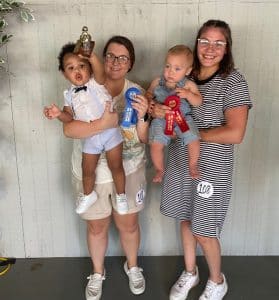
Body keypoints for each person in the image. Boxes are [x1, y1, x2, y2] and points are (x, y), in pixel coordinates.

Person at [153, 20, 252, 300]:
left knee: (204, 230)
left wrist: (192, 134)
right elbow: (161, 98)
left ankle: (217, 281)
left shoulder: (233, 81)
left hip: (212, 167)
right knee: (185, 220)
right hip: (180, 162)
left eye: (218, 43)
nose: (210, 49)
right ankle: (190, 272)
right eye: (205, 41)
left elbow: (235, 133)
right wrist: (156, 109)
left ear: (227, 48)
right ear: (196, 44)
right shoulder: (183, 73)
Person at [63, 36, 149, 300]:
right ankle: (97, 272)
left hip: (129, 167)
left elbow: (143, 138)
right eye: (110, 55)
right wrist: (103, 125)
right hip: (93, 173)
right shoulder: (84, 86)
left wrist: (145, 115)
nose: (115, 62)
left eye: (123, 58)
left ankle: (132, 266)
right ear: (100, 58)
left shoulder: (136, 91)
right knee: (96, 227)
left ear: (131, 63)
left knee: (129, 225)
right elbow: (69, 129)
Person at [43, 43, 129, 215]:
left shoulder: (96, 83)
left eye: (82, 66)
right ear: (64, 73)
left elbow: (99, 70)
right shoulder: (68, 95)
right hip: (90, 137)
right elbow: (69, 118)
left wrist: (90, 55)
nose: (78, 70)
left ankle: (121, 195)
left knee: (116, 165)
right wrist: (59, 113)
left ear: (89, 68)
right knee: (87, 169)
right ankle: (88, 194)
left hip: (110, 133)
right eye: (71, 68)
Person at [146, 45, 202, 183]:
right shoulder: (157, 82)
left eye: (177, 69)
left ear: (188, 71)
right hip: (161, 119)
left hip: (182, 118)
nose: (170, 72)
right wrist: (149, 102)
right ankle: (159, 169)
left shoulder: (188, 85)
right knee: (155, 144)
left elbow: (198, 101)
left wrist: (188, 95)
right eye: (167, 66)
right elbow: (148, 94)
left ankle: (193, 164)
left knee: (193, 139)